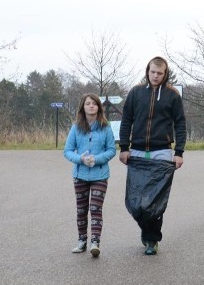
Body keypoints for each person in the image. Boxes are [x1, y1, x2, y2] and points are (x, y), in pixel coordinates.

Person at [118, 56, 186, 255]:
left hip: (162, 151)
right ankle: (147, 230)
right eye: (153, 72)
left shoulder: (172, 95)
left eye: (160, 73)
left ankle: (151, 240)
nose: (156, 76)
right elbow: (126, 121)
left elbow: (180, 123)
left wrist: (179, 151)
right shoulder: (135, 92)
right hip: (137, 151)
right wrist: (124, 147)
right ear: (147, 71)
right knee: (136, 200)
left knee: (156, 199)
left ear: (165, 74)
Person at [63, 93, 117, 257]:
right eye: (88, 103)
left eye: (94, 103)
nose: (91, 106)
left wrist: (97, 159)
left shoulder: (105, 127)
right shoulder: (76, 127)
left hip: (100, 175)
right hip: (80, 175)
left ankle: (95, 242)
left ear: (99, 107)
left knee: (95, 208)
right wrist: (81, 159)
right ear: (83, 107)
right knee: (81, 209)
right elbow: (67, 151)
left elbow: (112, 150)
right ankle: (81, 241)